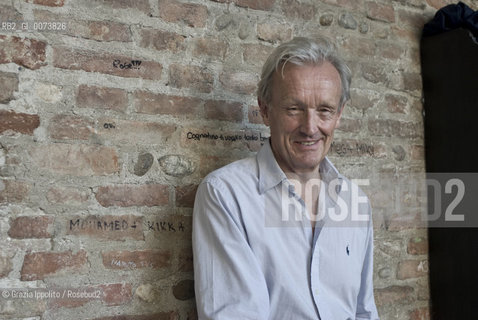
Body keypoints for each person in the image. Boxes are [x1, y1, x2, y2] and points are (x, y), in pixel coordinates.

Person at [192, 37, 379, 320]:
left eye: (325, 110)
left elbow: (364, 311)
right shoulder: (226, 195)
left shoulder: (356, 202)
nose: (310, 127)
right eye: (294, 109)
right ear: (265, 110)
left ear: (339, 115)